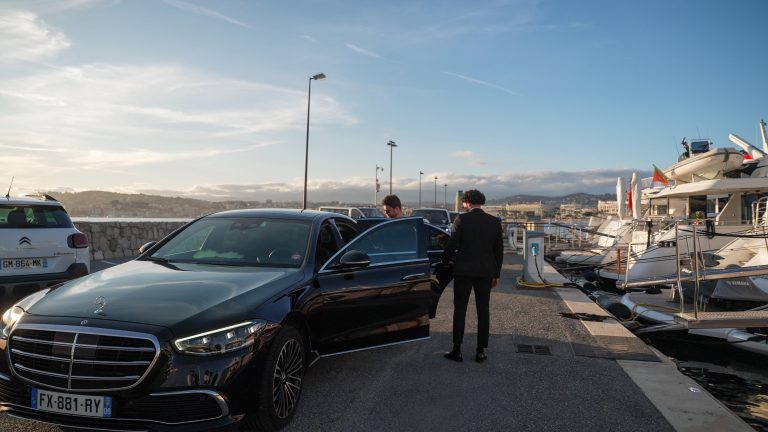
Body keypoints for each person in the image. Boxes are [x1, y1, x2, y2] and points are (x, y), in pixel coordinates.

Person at [441, 189, 503, 363]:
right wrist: (496, 274)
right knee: (483, 311)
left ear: (467, 202)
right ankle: (480, 351)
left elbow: (452, 245)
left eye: (464, 202)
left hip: (464, 272)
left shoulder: (462, 219)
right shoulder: (494, 222)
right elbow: (498, 251)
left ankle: (457, 350)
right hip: (486, 272)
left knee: (460, 310)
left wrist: (444, 262)